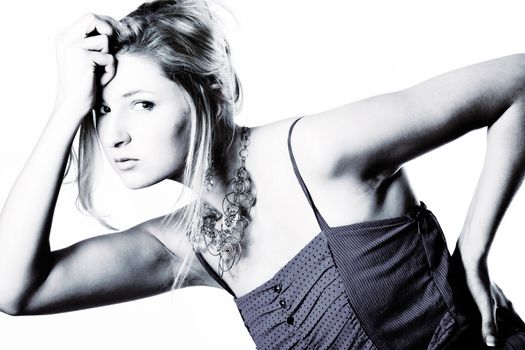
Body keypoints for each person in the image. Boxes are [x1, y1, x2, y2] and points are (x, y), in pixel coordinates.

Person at [0, 0, 524, 348]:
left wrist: (474, 249)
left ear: (207, 93)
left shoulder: (316, 152)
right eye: (101, 112)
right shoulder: (189, 244)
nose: (114, 136)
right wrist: (68, 105)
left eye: (141, 104)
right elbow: (15, 290)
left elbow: (519, 83)